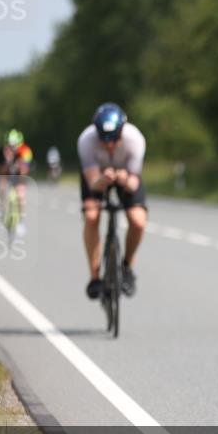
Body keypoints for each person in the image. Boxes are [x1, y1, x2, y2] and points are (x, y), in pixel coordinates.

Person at [77, 102, 147, 300]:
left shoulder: (135, 139)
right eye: (104, 139)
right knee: (91, 216)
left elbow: (134, 183)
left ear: (122, 131)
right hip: (98, 177)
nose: (109, 144)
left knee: (138, 221)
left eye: (114, 138)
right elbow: (92, 183)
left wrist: (125, 180)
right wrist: (102, 179)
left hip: (126, 175)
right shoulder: (86, 141)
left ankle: (127, 267)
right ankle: (94, 277)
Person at [0, 129, 33, 235]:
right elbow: (1, 171)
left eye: (14, 145)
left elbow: (25, 171)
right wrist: (8, 161)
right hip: (7, 174)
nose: (11, 147)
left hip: (19, 175)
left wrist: (19, 166)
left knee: (21, 196)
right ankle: (1, 211)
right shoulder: (3, 152)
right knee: (2, 187)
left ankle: (21, 221)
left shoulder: (25, 151)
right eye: (9, 145)